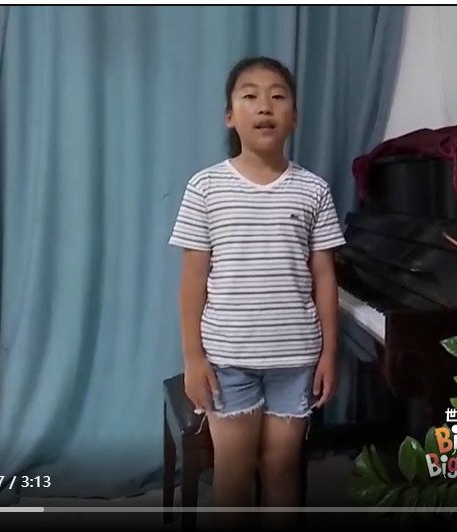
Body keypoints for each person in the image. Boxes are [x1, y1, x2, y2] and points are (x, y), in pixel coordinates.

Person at [169, 56, 345, 524]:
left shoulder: (314, 190)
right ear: (230, 116)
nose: (265, 106)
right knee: (233, 474)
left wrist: (329, 354)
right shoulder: (205, 188)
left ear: (294, 116)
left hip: (296, 358)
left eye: (278, 96)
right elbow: (193, 279)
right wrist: (192, 358)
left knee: (281, 467)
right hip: (228, 359)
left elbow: (325, 276)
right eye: (250, 96)